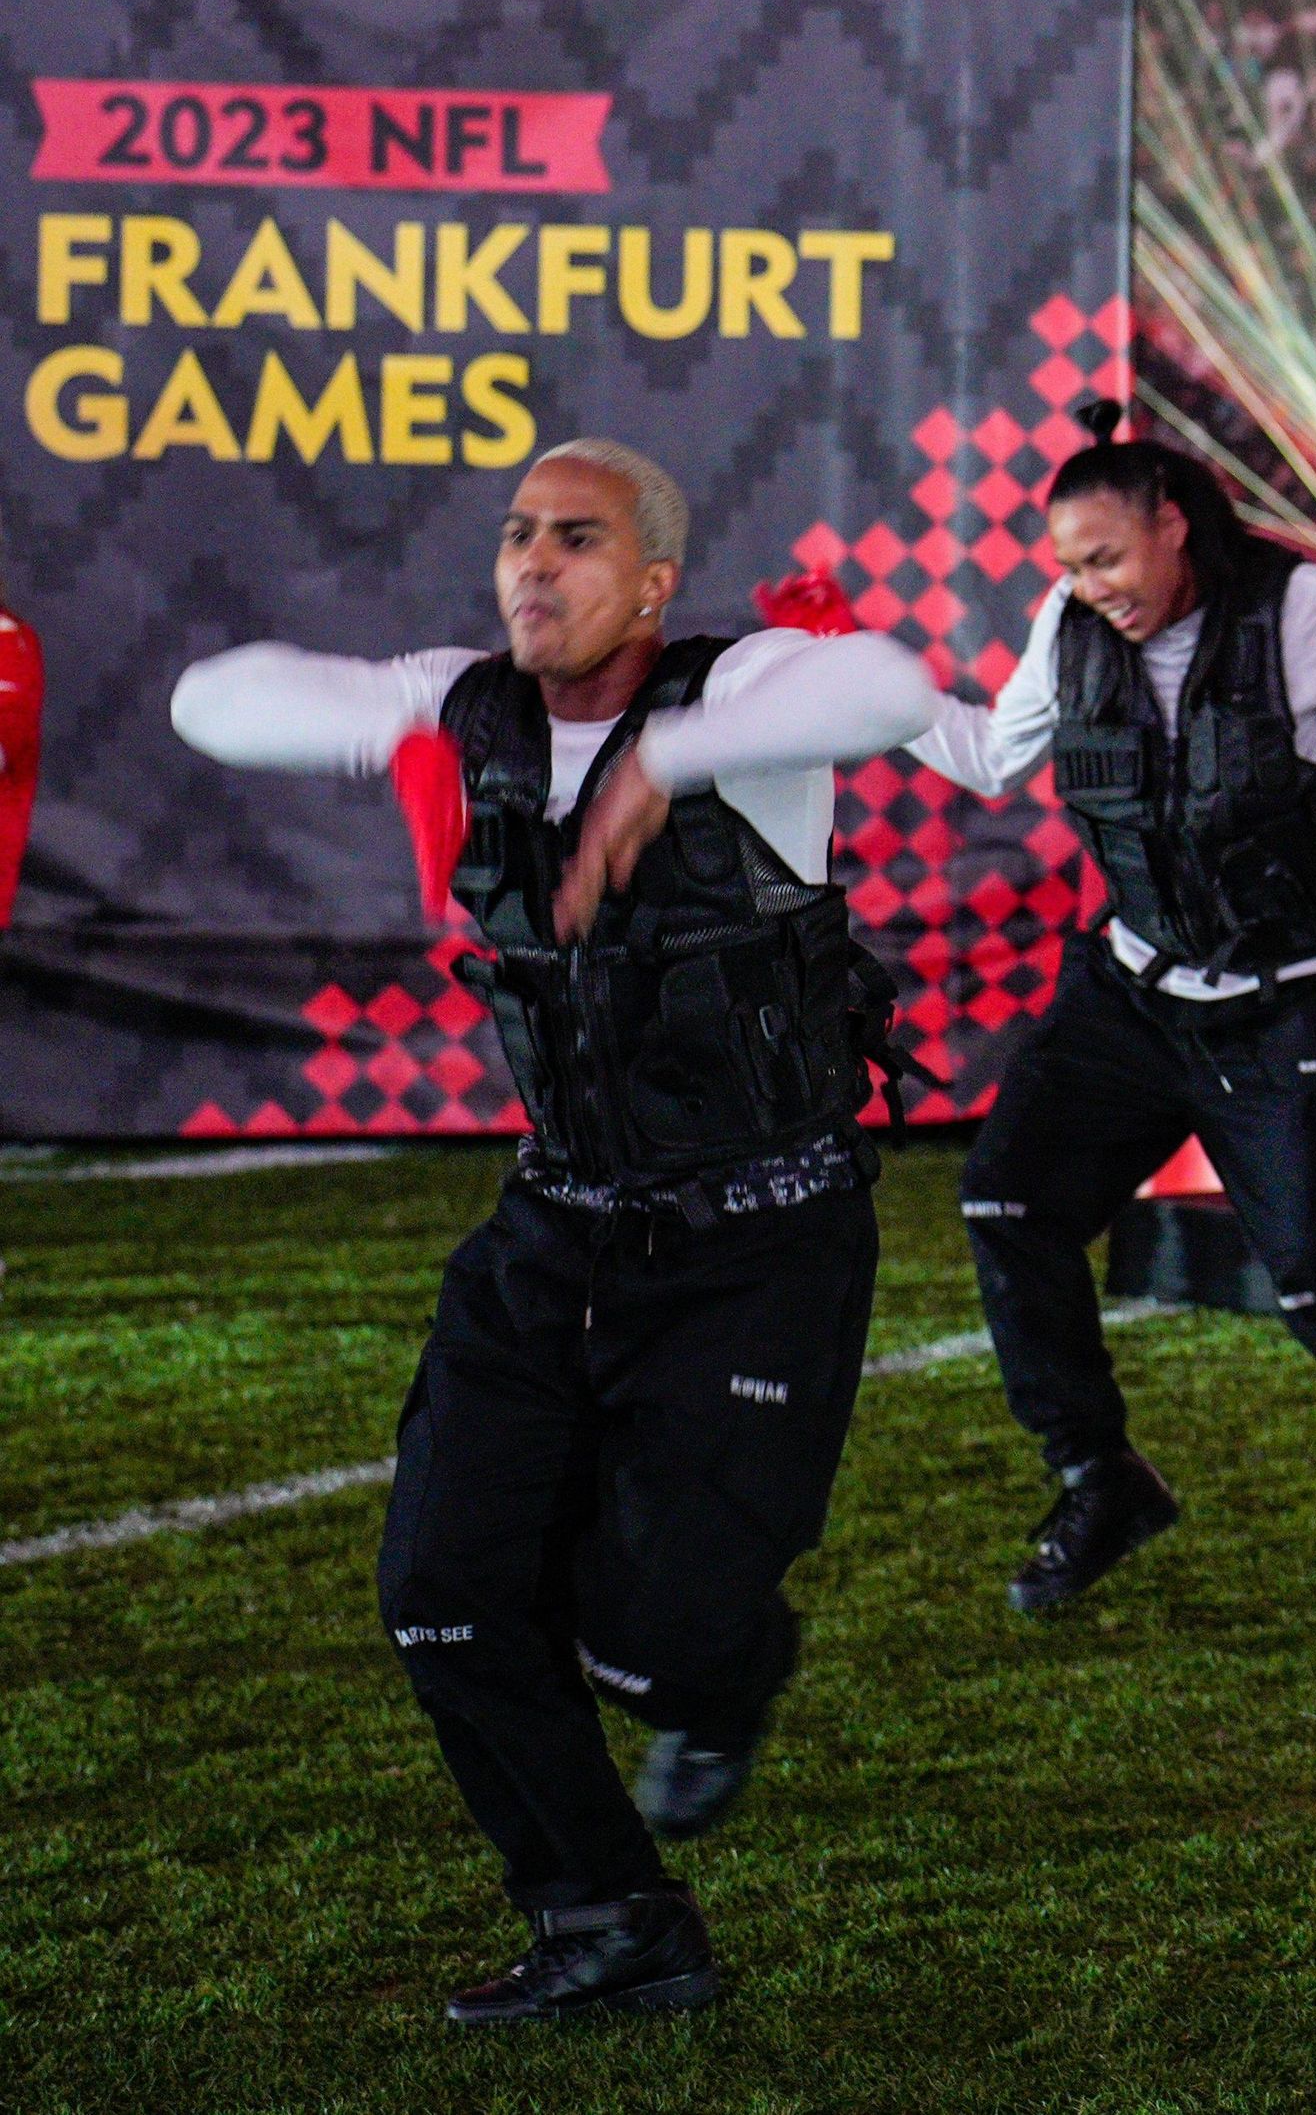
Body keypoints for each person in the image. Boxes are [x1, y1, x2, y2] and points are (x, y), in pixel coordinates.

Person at [169, 441, 946, 2024]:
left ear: (654, 580)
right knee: (441, 1595)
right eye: (517, 534)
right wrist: (398, 707)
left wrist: (672, 763)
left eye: (576, 540)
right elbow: (215, 701)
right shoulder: (471, 701)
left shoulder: (756, 694)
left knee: (650, 1638)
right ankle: (611, 1920)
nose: (533, 563)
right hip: (556, 1229)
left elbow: (888, 682)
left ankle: (710, 1675)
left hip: (760, 1243)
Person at [914, 402, 1316, 1628]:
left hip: (1294, 993)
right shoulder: (1068, 623)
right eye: (1069, 566)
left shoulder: (1302, 609)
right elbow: (981, 754)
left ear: (1172, 523)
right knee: (1005, 1201)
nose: (1089, 586)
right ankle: (1099, 1478)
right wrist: (846, 675)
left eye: (1107, 557)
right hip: (1132, 989)